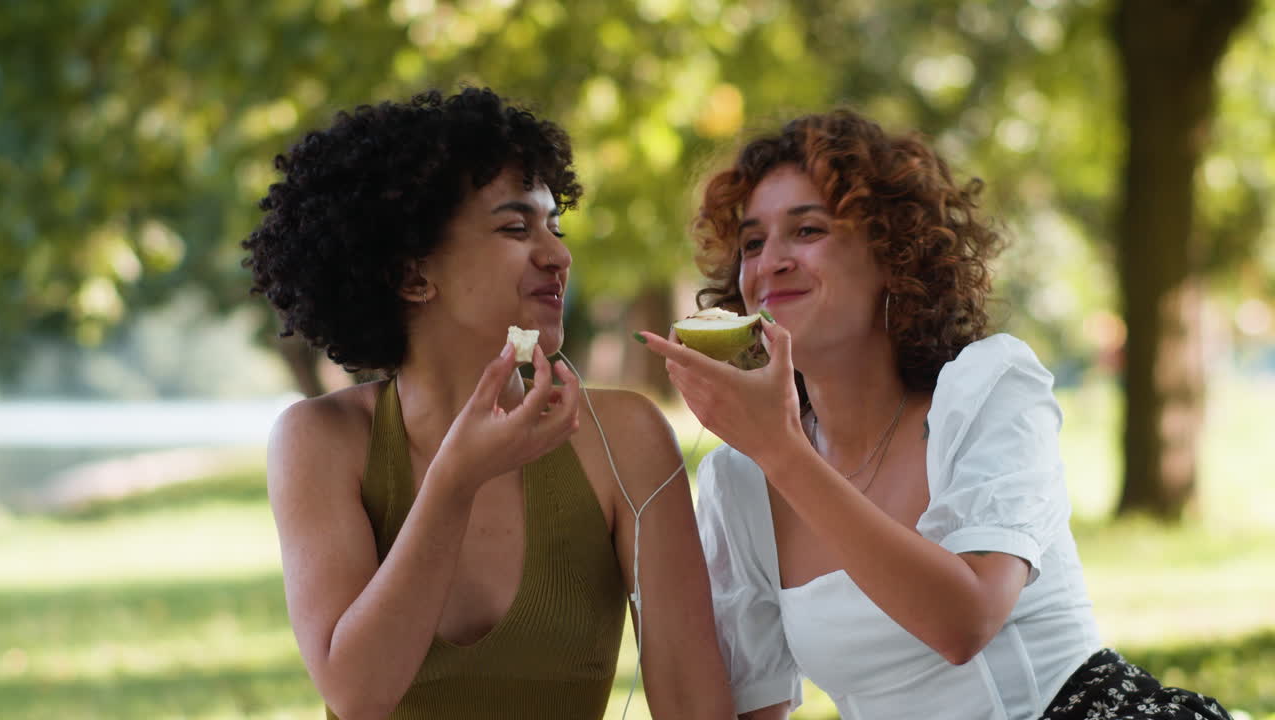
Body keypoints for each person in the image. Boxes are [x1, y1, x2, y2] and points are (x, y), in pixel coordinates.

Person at [636, 109, 1233, 720]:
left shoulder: (987, 388)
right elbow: (751, 709)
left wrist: (783, 452)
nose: (770, 263)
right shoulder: (741, 483)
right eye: (753, 242)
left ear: (893, 254)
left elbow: (963, 622)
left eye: (807, 231)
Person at [243, 87, 733, 720]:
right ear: (412, 275)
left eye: (554, 226)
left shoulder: (626, 436)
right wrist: (454, 481)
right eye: (515, 227)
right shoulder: (321, 439)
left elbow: (695, 705)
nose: (558, 255)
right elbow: (358, 691)